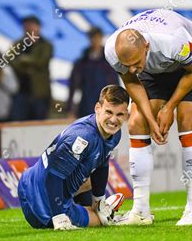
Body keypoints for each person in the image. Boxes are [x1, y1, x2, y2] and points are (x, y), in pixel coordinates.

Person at [104, 9, 192, 226]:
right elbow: (133, 81)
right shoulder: (113, 51)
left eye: (136, 63)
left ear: (146, 45)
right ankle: (141, 211)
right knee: (136, 123)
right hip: (154, 70)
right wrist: (152, 119)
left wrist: (169, 108)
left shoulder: (173, 40)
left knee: (186, 118)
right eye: (128, 66)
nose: (133, 69)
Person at [18, 85, 129, 230]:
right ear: (97, 108)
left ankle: (100, 207)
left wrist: (99, 200)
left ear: (126, 114)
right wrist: (59, 217)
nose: (114, 120)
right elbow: (53, 176)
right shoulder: (82, 137)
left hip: (30, 182)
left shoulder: (114, 134)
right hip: (42, 201)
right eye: (109, 112)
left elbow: (102, 163)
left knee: (88, 177)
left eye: (120, 114)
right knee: (100, 222)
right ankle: (110, 216)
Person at [67, 27, 120, 118]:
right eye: (93, 38)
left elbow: (115, 86)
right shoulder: (81, 62)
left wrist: (117, 106)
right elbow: (73, 85)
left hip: (105, 106)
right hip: (85, 106)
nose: (95, 40)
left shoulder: (109, 61)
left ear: (101, 38)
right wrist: (70, 108)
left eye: (97, 37)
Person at [9, 15, 53, 120]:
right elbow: (10, 60)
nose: (28, 28)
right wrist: (26, 69)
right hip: (21, 92)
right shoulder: (18, 44)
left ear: (38, 27)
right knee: (19, 123)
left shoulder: (46, 45)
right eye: (26, 26)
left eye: (31, 26)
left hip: (40, 94)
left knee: (39, 125)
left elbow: (41, 62)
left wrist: (24, 59)